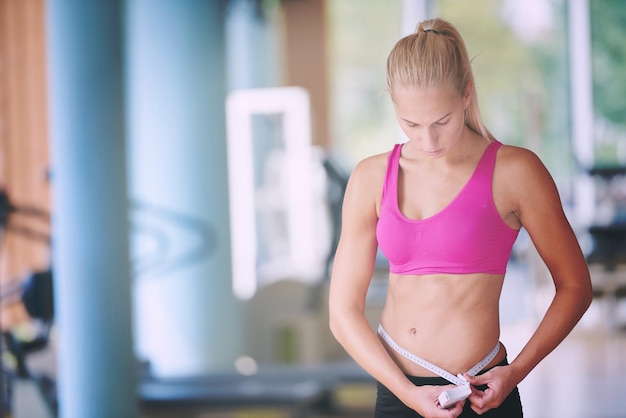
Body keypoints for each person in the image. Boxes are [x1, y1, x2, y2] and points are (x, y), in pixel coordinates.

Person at [328, 17, 593, 418]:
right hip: (400, 397)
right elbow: (343, 311)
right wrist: (404, 393)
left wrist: (516, 371)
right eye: (411, 124)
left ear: (466, 94)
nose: (428, 140)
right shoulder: (369, 178)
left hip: (485, 392)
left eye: (442, 121)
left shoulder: (516, 171)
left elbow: (575, 286)